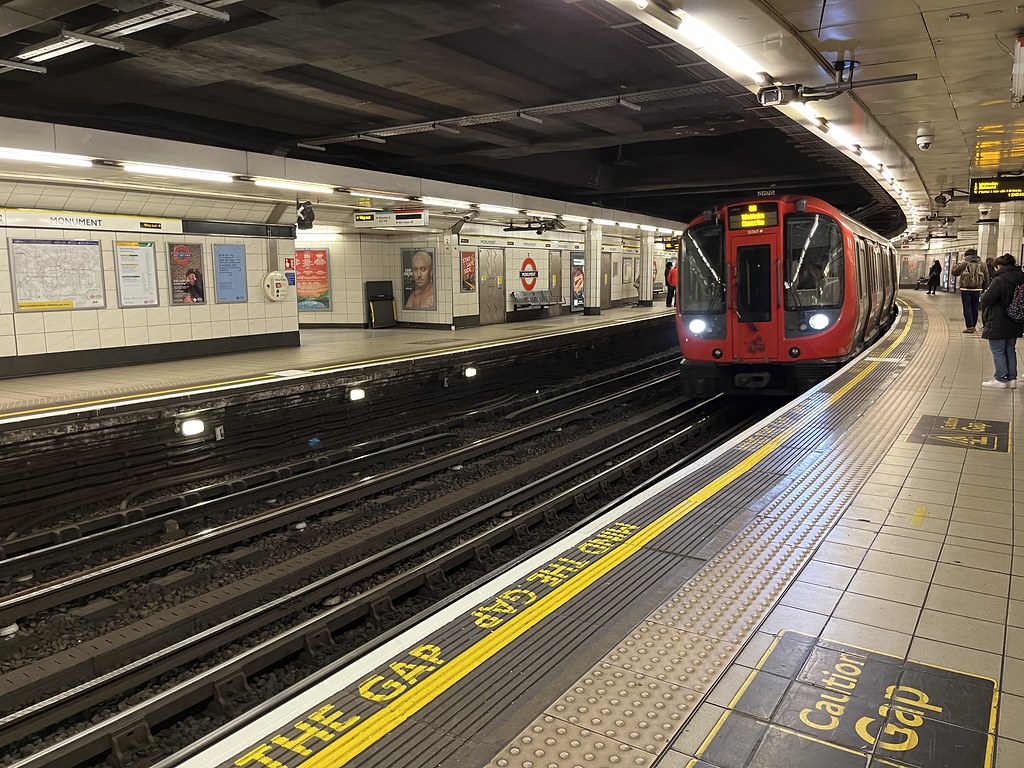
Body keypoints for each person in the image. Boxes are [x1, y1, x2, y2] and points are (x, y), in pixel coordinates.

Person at [979, 252, 1024, 388]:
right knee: (1010, 349)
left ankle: (1000, 378)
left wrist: (984, 295)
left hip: (999, 320)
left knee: (998, 350)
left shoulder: (999, 280)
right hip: (1016, 320)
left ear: (999, 266)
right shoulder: (1021, 277)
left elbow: (987, 299)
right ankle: (1012, 379)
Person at [951, 248, 989, 333]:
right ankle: (973, 325)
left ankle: (970, 326)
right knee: (974, 307)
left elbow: (954, 273)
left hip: (965, 288)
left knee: (967, 306)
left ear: (966, 256)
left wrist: (958, 264)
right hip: (977, 289)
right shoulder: (982, 264)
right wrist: (985, 288)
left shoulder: (964, 263)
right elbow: (986, 276)